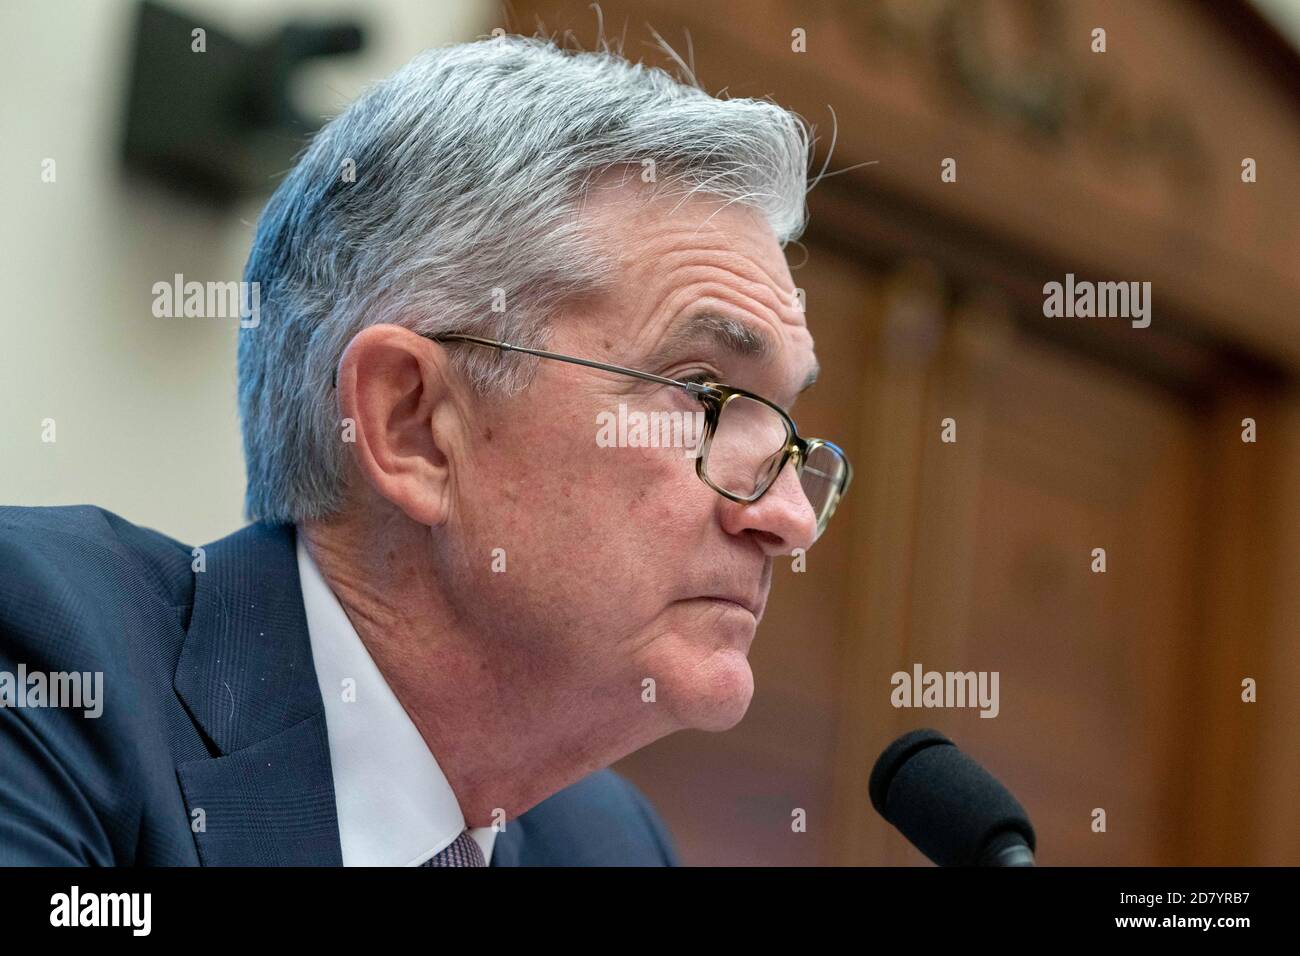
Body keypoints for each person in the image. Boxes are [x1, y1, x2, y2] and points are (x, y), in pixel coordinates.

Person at [0, 32, 850, 865]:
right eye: (704, 395)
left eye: (783, 428)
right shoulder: (53, 672)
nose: (787, 517)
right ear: (411, 425)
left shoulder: (611, 844)